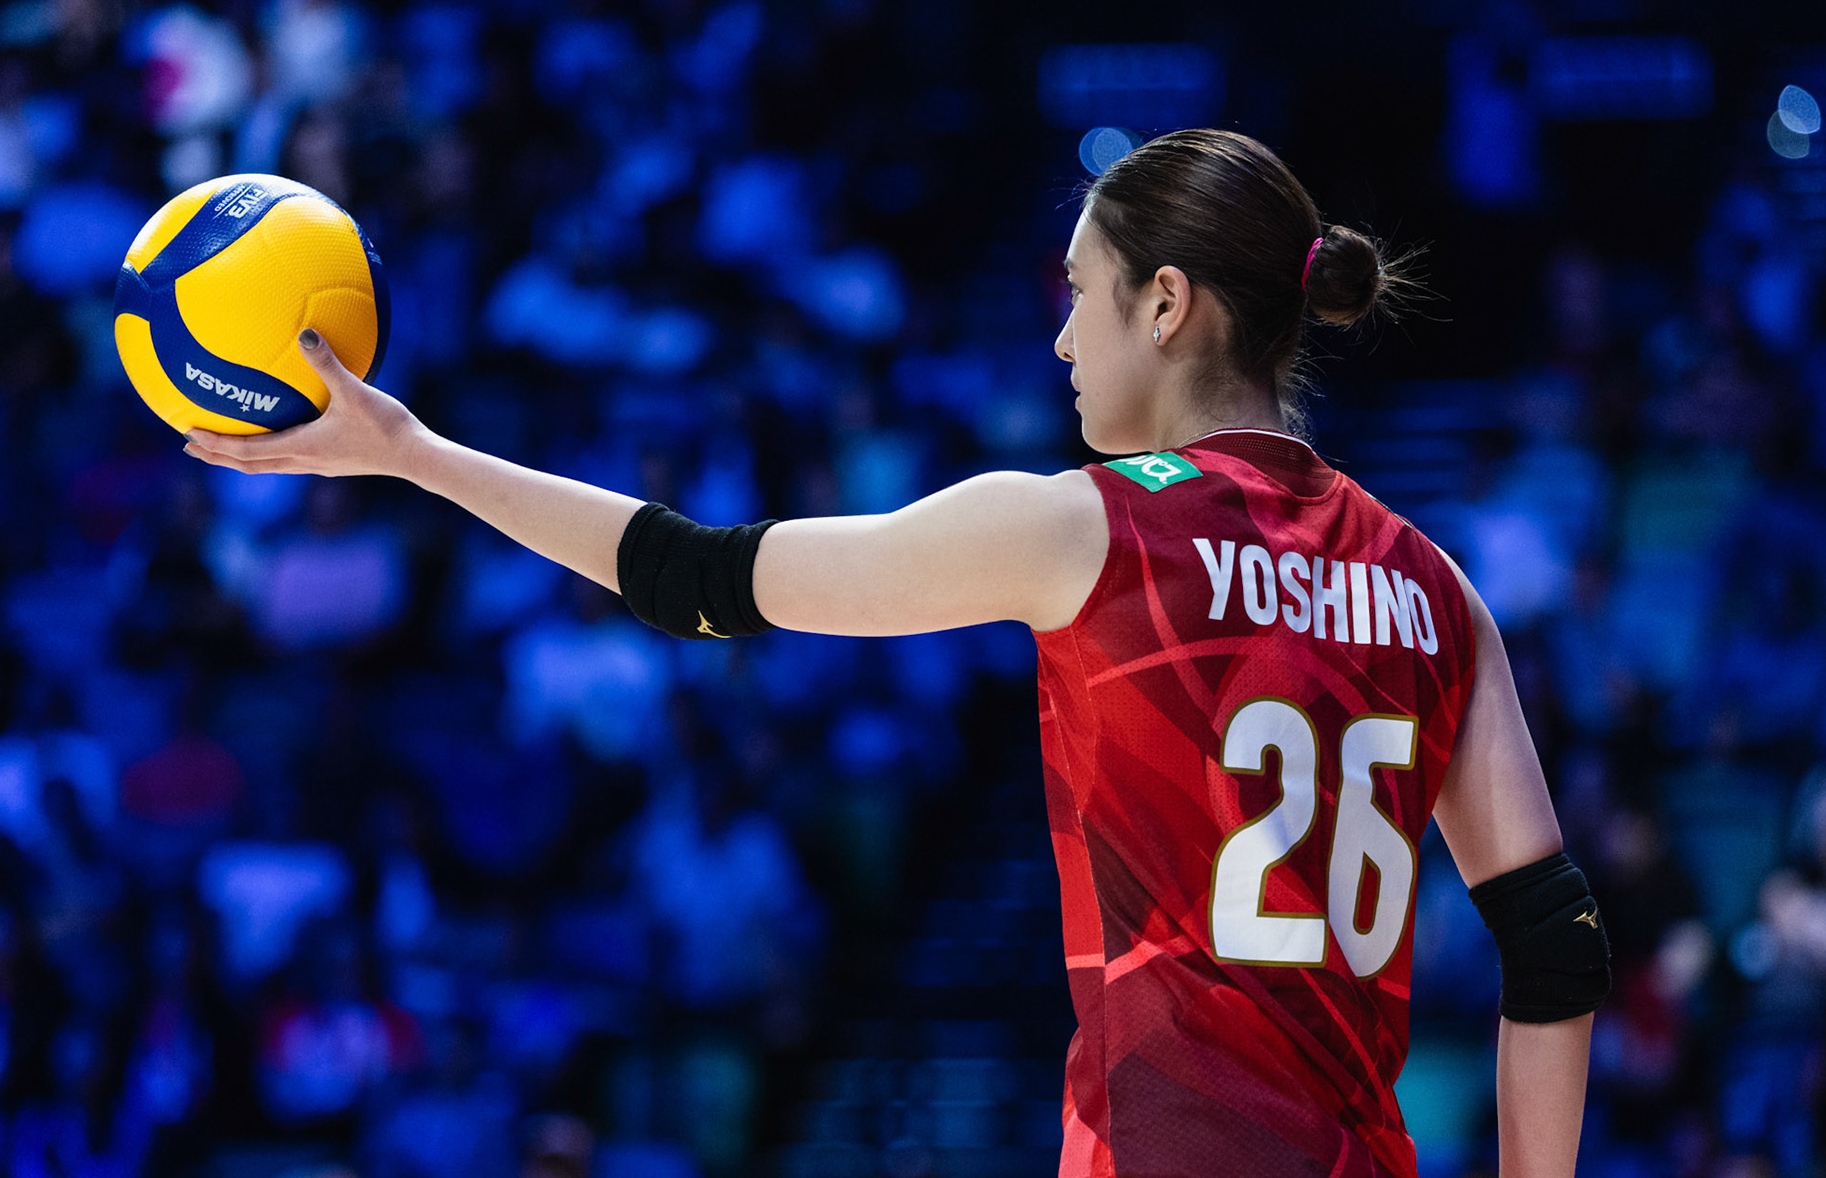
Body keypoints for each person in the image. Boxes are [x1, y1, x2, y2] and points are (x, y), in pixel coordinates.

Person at [183, 129, 1609, 1178]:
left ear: (1167, 305)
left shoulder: (1083, 528)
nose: (1063, 338)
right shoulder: (1435, 588)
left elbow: (697, 580)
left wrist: (415, 454)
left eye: (1080, 293)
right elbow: (1555, 946)